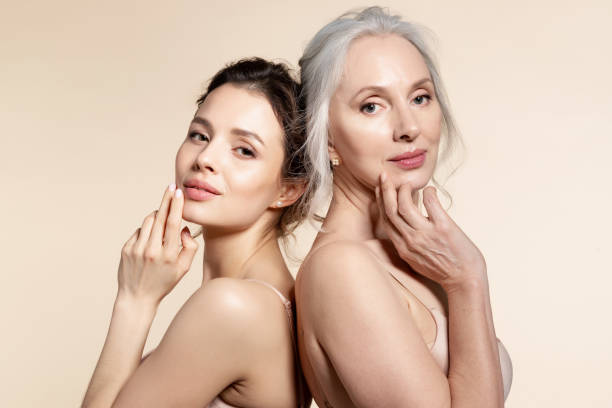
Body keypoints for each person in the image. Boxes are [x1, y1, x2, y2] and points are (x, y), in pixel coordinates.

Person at [295, 7, 513, 408]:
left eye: (420, 97)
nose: (409, 127)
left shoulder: (423, 254)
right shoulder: (341, 268)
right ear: (325, 137)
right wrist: (469, 280)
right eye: (371, 106)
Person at [82, 58, 311, 408]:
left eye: (244, 150)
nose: (205, 157)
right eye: (199, 135)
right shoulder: (276, 298)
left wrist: (135, 299)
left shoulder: (233, 307)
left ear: (288, 190)